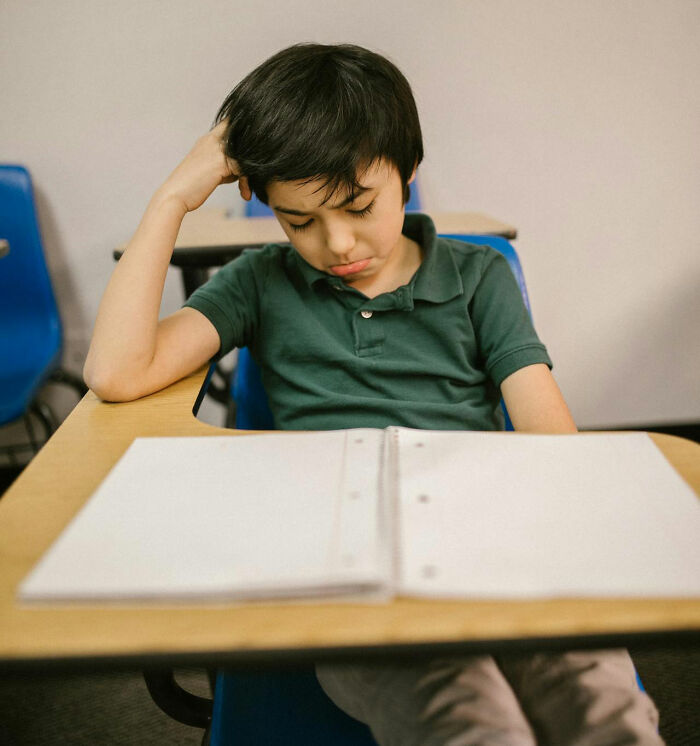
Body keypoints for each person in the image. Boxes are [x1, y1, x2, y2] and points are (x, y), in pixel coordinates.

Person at [84, 43, 663, 745]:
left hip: (490, 540)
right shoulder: (259, 282)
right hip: (344, 567)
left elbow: (551, 443)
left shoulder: (478, 278)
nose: (336, 243)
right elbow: (116, 372)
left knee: (601, 705)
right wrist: (173, 197)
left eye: (359, 205)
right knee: (472, 718)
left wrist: (545, 542)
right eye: (299, 221)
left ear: (409, 171)